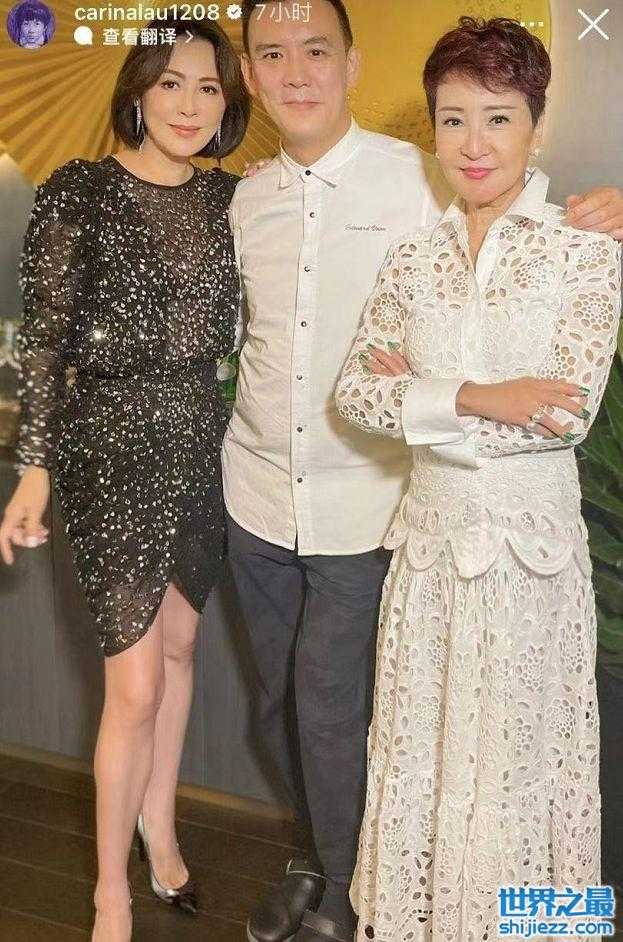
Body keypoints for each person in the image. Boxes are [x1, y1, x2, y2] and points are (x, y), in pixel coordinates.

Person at [228, 3, 623, 942]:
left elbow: (563, 416)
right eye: (453, 119)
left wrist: (426, 398)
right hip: (429, 559)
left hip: (529, 565)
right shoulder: (412, 258)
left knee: (522, 771)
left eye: (498, 118)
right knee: (424, 764)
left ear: (535, 125)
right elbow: (359, 397)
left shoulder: (585, 252)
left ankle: (542, 931)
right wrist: (483, 397)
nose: (473, 144)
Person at [0, 14, 249, 942]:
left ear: (227, 104)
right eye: (171, 82)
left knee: (180, 651)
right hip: (107, 450)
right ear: (138, 89)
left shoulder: (233, 201)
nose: (189, 104)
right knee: (134, 685)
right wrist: (33, 468)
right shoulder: (80, 190)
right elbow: (43, 341)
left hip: (203, 445)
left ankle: (161, 831)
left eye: (208, 87)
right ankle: (111, 891)